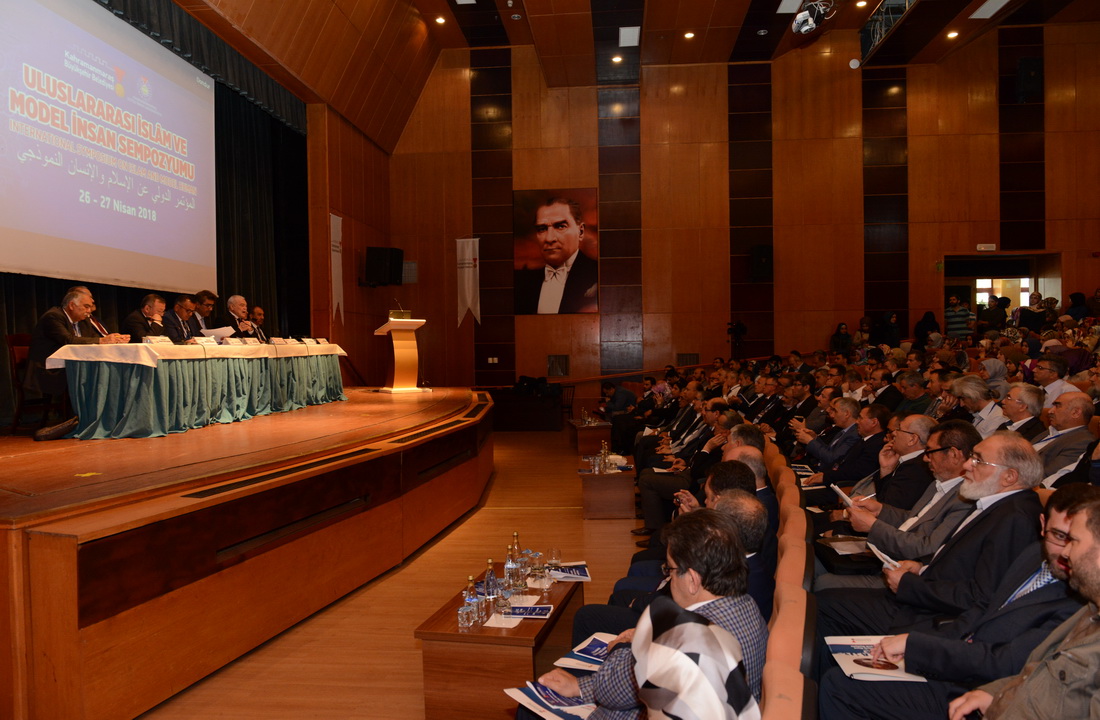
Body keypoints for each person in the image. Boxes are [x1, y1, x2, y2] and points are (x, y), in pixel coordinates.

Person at [819, 484, 1093, 720]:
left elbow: (1008, 663)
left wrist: (919, 647)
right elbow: (982, 610)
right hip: (959, 657)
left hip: (981, 689)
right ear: (1043, 525)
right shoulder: (1034, 554)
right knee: (844, 658)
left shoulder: (1081, 595)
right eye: (1059, 536)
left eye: (1073, 541)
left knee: (840, 686)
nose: (1066, 552)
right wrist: (919, 643)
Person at [534, 509, 768, 718]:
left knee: (530, 710)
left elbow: (610, 691)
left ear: (693, 580)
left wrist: (627, 645)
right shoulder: (748, 606)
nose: (669, 577)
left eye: (670, 570)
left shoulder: (684, 636)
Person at [948, 492, 1100, 720]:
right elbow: (1035, 673)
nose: (1065, 552)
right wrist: (994, 693)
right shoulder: (1090, 610)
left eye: (1074, 541)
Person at [25, 289, 127, 439]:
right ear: (72, 305)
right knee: (94, 376)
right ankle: (87, 420)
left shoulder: (83, 321)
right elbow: (68, 341)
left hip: (69, 367)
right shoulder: (53, 316)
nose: (90, 311)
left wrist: (114, 339)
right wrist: (102, 340)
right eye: (86, 306)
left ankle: (104, 420)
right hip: (48, 370)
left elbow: (91, 339)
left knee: (106, 372)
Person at [513, 197, 598, 315]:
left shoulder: (598, 273)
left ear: (580, 232)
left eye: (561, 226)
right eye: (542, 229)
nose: (549, 238)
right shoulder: (521, 281)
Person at [1033, 391, 1095, 484]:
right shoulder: (1050, 431)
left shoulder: (1082, 442)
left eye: (1057, 406)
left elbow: (1045, 476)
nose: (1050, 411)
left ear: (1075, 413)